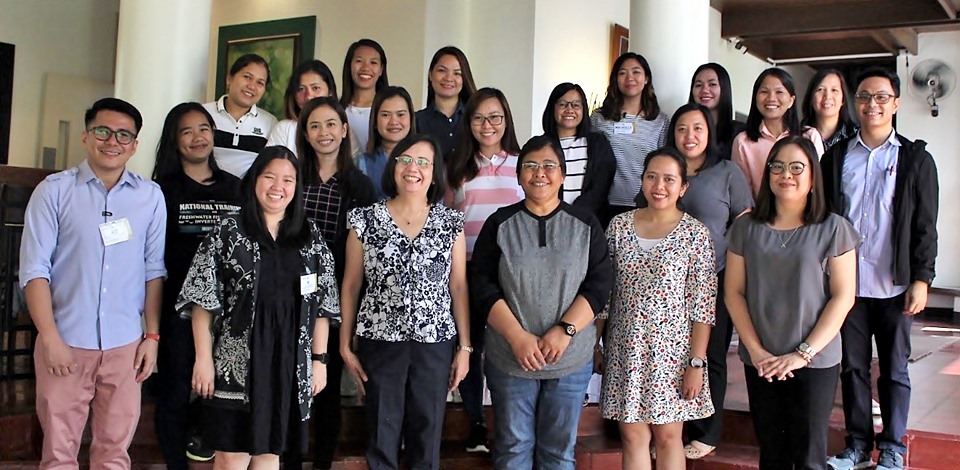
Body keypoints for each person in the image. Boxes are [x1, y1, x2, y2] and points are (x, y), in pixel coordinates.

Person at [20, 98, 166, 469]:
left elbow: (153, 270)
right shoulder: (54, 191)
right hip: (65, 340)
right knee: (58, 452)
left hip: (125, 345)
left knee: (115, 452)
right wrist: (50, 338)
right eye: (103, 131)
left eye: (123, 135)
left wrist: (152, 337)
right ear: (86, 137)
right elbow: (35, 270)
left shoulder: (150, 197)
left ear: (134, 145)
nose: (111, 141)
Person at [178, 146, 340, 470]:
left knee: (271, 455)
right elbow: (202, 302)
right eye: (269, 176)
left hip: (288, 364)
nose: (278, 187)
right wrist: (203, 359)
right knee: (231, 458)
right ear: (255, 180)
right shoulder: (228, 230)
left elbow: (323, 305)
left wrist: (319, 361)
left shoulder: (309, 236)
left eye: (288, 180)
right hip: (234, 366)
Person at [471, 135, 613, 470]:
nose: (540, 173)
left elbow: (599, 285)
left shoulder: (585, 224)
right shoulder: (499, 223)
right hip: (510, 357)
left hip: (570, 358)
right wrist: (517, 337)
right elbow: (483, 285)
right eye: (530, 166)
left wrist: (565, 330)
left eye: (549, 166)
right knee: (513, 448)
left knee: (558, 452)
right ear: (519, 176)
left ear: (563, 175)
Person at [825, 68, 939, 470]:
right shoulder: (836, 157)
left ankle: (892, 446)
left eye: (880, 97)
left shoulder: (915, 158)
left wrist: (922, 279)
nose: (871, 104)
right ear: (855, 104)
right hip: (848, 287)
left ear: (895, 103)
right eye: (864, 97)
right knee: (853, 368)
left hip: (894, 283)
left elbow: (925, 226)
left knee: (894, 370)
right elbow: (824, 219)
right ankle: (857, 445)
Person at [726, 136, 859, 469]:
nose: (786, 174)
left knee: (809, 457)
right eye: (778, 166)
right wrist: (756, 351)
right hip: (763, 360)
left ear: (813, 176)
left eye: (797, 167)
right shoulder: (746, 226)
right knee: (772, 454)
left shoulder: (834, 228)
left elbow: (843, 297)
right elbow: (734, 293)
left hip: (814, 361)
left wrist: (803, 354)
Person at [340, 134, 471, 469]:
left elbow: (458, 286)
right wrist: (344, 344)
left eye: (424, 162)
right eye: (406, 159)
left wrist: (465, 348)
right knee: (381, 435)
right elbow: (352, 284)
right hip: (380, 342)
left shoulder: (450, 222)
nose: (414, 168)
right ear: (394, 165)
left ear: (434, 173)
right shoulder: (364, 219)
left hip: (435, 342)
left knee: (426, 436)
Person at [649, 103, 753, 460]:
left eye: (697, 128)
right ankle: (666, 425)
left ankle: (706, 430)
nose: (689, 136)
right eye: (681, 128)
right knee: (669, 354)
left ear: (709, 134)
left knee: (710, 353)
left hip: (716, 275)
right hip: (665, 283)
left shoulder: (727, 172)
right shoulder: (664, 169)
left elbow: (743, 223)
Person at [601, 147, 716, 470]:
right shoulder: (619, 227)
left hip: (674, 355)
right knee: (633, 437)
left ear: (683, 187)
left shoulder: (695, 234)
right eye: (651, 177)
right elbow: (605, 294)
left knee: (668, 438)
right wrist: (598, 342)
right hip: (627, 349)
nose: (659, 186)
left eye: (669, 179)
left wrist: (696, 361)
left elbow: (703, 305)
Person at [286, 96, 376, 470]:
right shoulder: (291, 177)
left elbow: (365, 256)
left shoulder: (361, 186)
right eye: (314, 126)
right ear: (305, 134)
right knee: (289, 382)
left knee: (326, 382)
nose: (324, 133)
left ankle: (322, 460)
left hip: (335, 295)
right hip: (289, 293)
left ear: (343, 131)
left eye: (331, 125)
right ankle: (288, 458)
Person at [152, 102, 242, 468]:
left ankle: (204, 447)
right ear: (175, 140)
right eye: (187, 131)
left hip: (230, 311)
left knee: (218, 393)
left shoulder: (236, 189)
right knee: (175, 390)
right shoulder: (160, 191)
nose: (197, 137)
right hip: (178, 308)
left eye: (203, 128)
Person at [446, 87, 524, 454]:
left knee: (504, 348)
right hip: (466, 269)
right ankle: (476, 422)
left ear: (506, 120)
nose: (487, 124)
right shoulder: (457, 167)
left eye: (495, 117)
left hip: (510, 271)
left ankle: (507, 424)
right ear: (469, 123)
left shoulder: (523, 163)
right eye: (478, 118)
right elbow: (447, 220)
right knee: (469, 345)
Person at [590, 52, 669, 226]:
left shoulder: (660, 121)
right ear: (615, 79)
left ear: (646, 78)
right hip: (606, 203)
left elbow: (664, 164)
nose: (629, 78)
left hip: (646, 203)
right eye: (622, 72)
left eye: (636, 72)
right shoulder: (599, 118)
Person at [732, 67, 825, 197]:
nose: (771, 98)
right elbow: (743, 194)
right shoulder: (743, 141)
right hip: (761, 215)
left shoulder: (809, 136)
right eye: (764, 92)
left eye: (779, 92)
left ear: (791, 101)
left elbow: (818, 185)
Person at [541, 82, 615, 217]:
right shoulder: (541, 145)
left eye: (576, 105)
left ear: (583, 110)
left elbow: (601, 187)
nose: (569, 110)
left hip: (589, 221)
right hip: (548, 219)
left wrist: (575, 215)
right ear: (553, 108)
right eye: (562, 104)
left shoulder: (598, 144)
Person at [203, 53, 278, 178]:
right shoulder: (203, 113)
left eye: (260, 83)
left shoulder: (270, 122)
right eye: (247, 77)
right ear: (229, 79)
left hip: (247, 195)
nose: (252, 86)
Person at [416, 46, 478, 159]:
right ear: (430, 74)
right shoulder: (416, 120)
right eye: (442, 71)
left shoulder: (476, 119)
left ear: (464, 79)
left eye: (457, 73)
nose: (449, 78)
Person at [266, 59, 338, 156]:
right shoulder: (285, 129)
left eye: (315, 88)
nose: (308, 96)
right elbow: (268, 168)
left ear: (330, 91)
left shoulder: (342, 128)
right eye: (301, 89)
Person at [356, 86, 416, 199]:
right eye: (385, 115)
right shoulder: (361, 163)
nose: (394, 122)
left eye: (400, 114)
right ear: (375, 121)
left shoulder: (426, 161)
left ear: (411, 118)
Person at [340, 39, 389, 157]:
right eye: (359, 61)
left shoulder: (388, 110)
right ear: (349, 65)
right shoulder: (337, 110)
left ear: (381, 69)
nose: (366, 67)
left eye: (373, 62)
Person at [688, 62, 744, 160]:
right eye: (698, 85)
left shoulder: (739, 133)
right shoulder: (684, 130)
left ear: (724, 89)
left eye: (712, 84)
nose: (705, 90)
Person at [801, 68, 859, 151]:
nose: (827, 96)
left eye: (834, 90)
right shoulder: (798, 136)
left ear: (843, 99)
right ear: (811, 97)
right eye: (820, 89)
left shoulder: (857, 135)